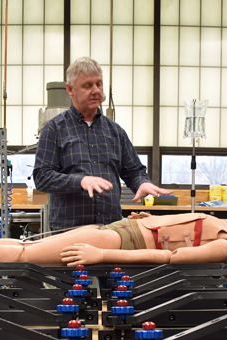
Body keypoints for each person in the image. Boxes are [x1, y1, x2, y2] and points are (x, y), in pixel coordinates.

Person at [33, 57, 172, 231]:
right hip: (69, 232)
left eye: (99, 84)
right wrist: (80, 181)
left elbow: (133, 171)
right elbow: (42, 177)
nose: (95, 91)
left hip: (111, 230)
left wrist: (142, 183)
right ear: (70, 89)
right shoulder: (54, 130)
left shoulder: (115, 132)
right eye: (87, 86)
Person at [0, 212, 227, 266]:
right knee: (26, 248)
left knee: (27, 255)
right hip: (123, 231)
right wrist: (150, 219)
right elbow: (179, 228)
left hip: (120, 245)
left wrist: (101, 256)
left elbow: (170, 259)